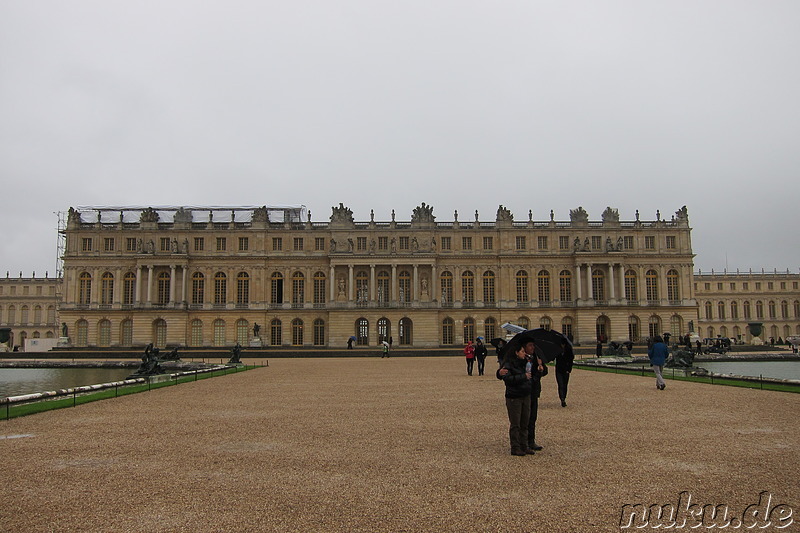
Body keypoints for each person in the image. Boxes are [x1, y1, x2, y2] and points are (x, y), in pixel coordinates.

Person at [497, 344, 533, 456]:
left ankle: (524, 445)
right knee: (515, 424)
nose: (524, 353)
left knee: (525, 422)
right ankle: (515, 447)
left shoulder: (526, 362)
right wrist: (523, 377)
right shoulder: (509, 364)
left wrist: (539, 368)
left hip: (525, 395)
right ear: (516, 352)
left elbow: (533, 376)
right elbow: (507, 379)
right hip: (514, 396)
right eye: (522, 351)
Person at [555, 341, 574, 407]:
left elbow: (571, 361)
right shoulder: (557, 350)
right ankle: (562, 399)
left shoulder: (568, 351)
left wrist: (569, 370)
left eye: (563, 344)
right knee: (560, 385)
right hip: (559, 370)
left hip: (566, 370)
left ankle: (564, 397)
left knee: (565, 385)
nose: (562, 345)